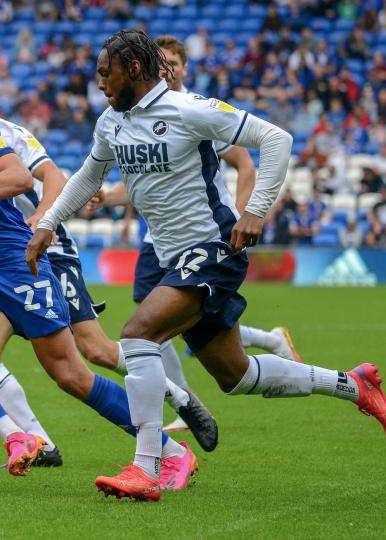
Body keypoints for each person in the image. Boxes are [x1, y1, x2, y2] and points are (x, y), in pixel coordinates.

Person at [27, 29, 386, 501]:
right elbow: (87, 177)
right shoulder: (111, 122)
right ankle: (354, 384)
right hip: (170, 259)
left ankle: (148, 466)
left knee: (138, 334)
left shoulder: (189, 110)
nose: (99, 82)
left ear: (133, 70)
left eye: (106, 72)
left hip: (211, 248)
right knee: (236, 376)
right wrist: (50, 222)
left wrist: (256, 210)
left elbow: (276, 138)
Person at [0, 53, 201, 481]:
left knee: (72, 374)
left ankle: (170, 450)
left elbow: (19, 179)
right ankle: (17, 436)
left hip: (14, 264)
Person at [96, 35, 302, 434]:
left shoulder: (193, 109)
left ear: (183, 68)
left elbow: (247, 161)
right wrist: (105, 201)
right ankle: (329, 373)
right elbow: (142, 180)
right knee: (212, 357)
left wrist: (249, 213)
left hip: (204, 241)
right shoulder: (124, 115)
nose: (167, 68)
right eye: (163, 60)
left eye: (173, 61)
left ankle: (167, 430)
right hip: (160, 242)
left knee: (145, 329)